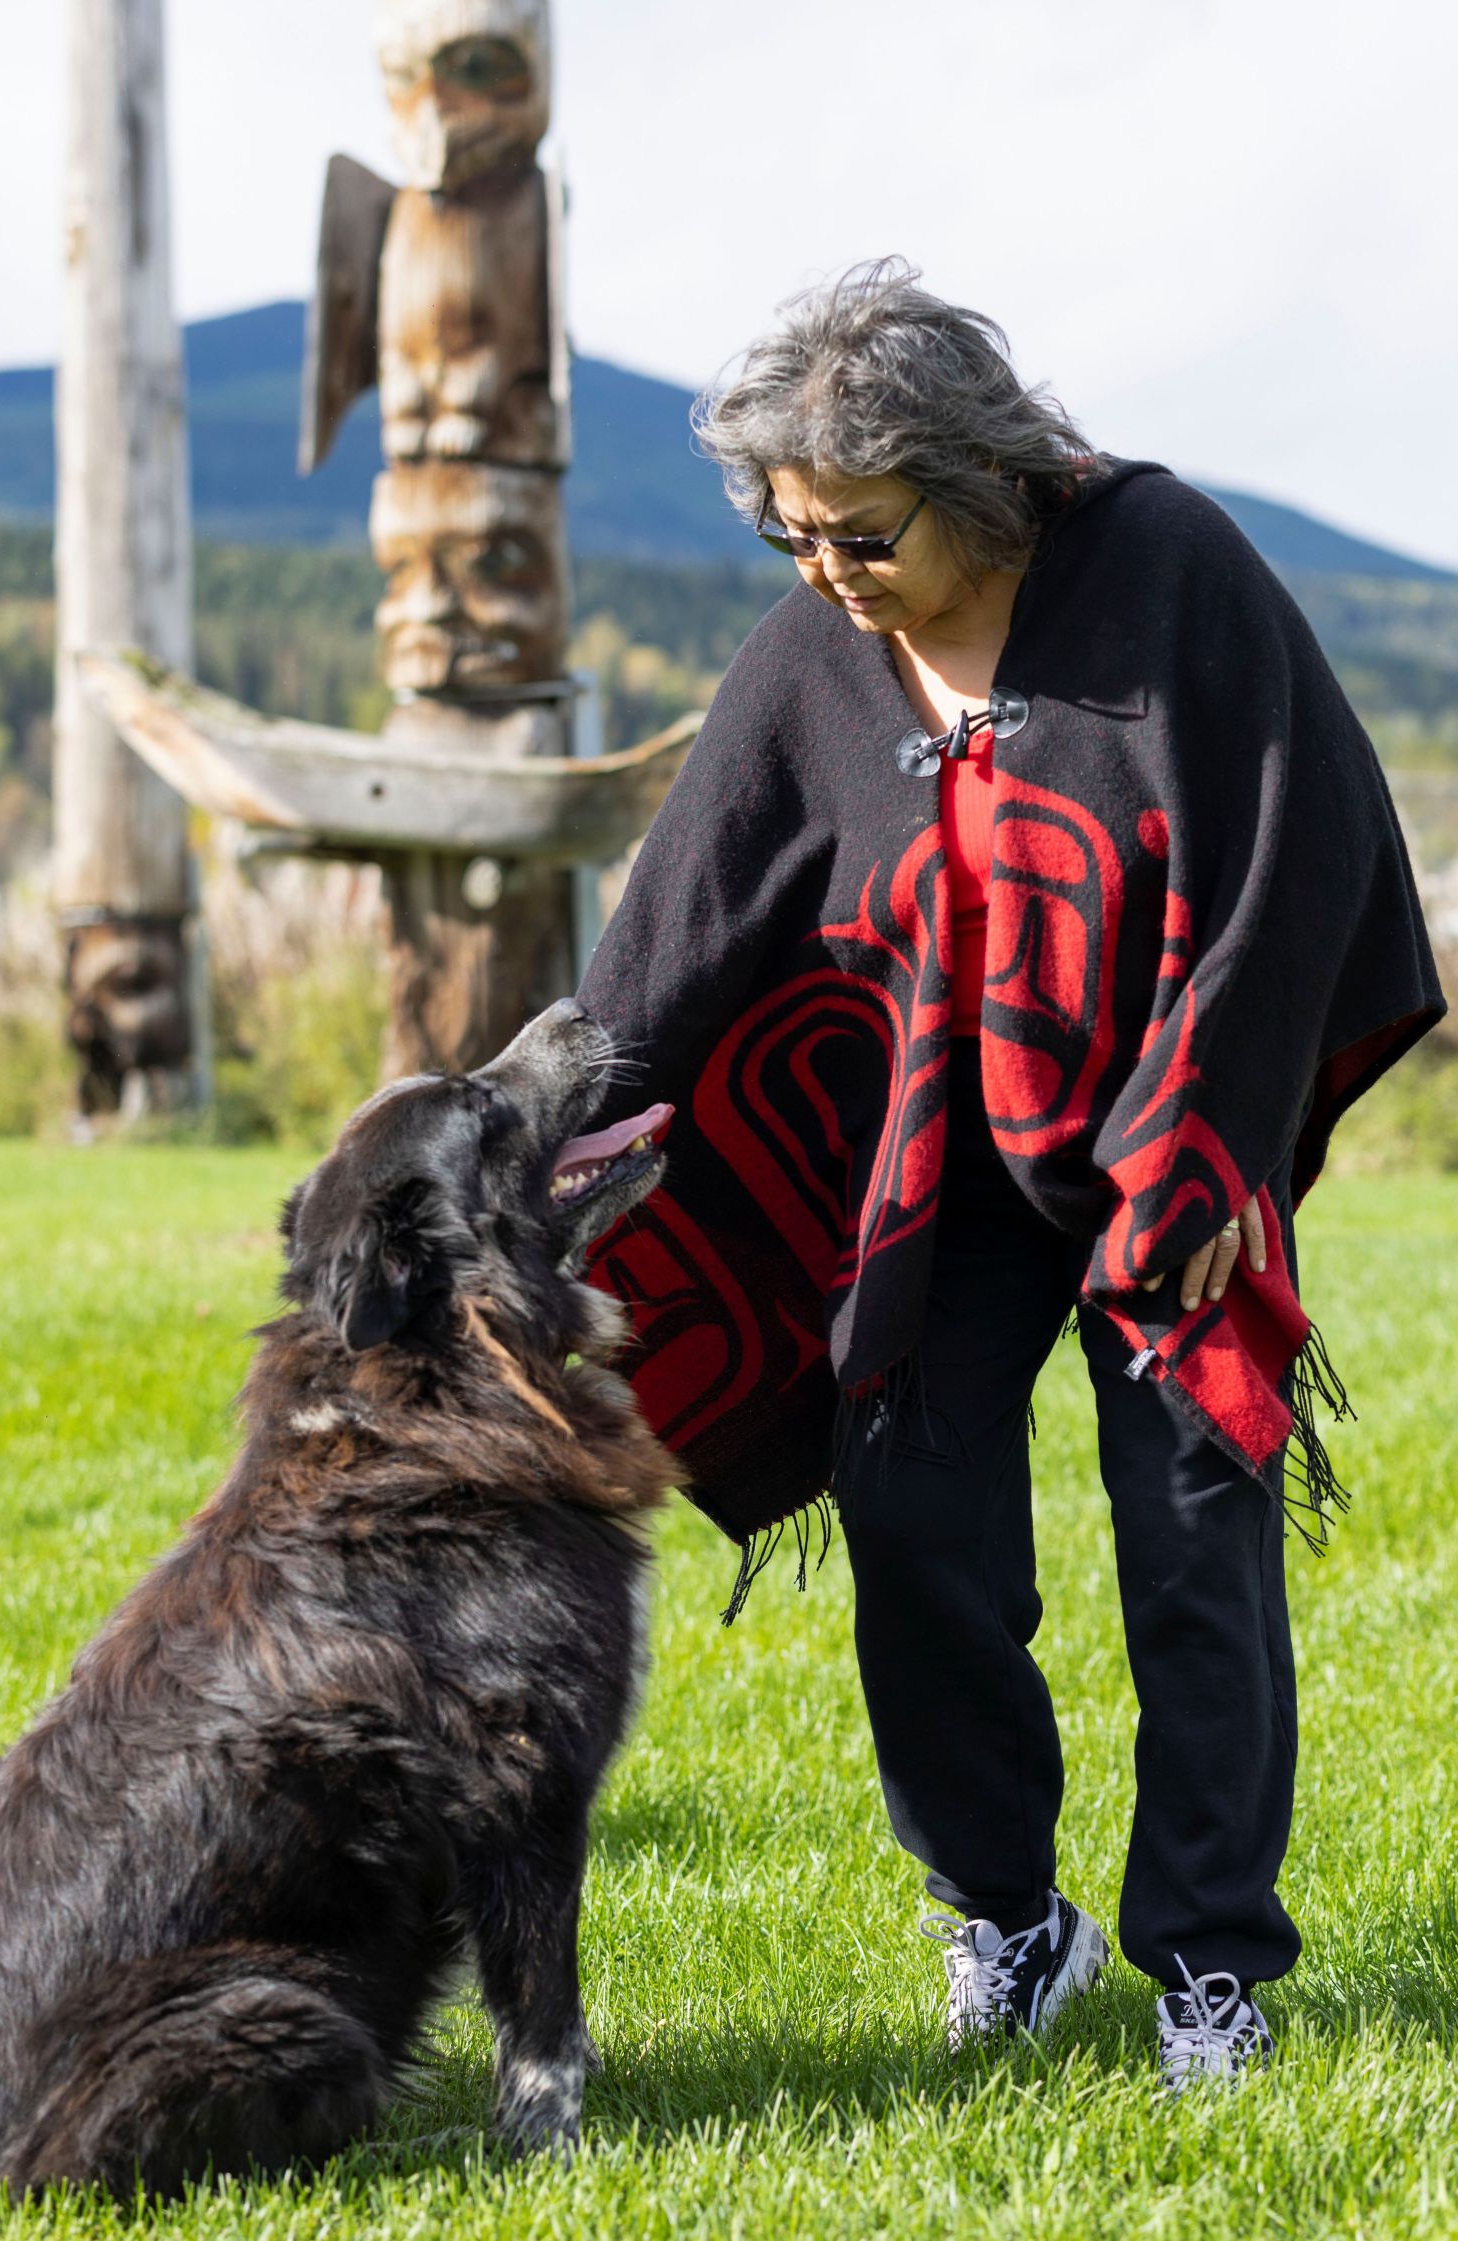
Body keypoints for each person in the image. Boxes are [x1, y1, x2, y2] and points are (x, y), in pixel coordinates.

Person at [576, 261, 1443, 2090]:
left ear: (971, 482)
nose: (825, 569)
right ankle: (1008, 1916)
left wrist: (1210, 1148)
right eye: (790, 533)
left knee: (1194, 1535)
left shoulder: (1168, 567)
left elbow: (1301, 859)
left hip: (1168, 1149)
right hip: (934, 1161)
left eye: (859, 533)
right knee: (910, 1520)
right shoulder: (817, 644)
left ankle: (1212, 1963)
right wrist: (546, 1141)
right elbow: (678, 921)